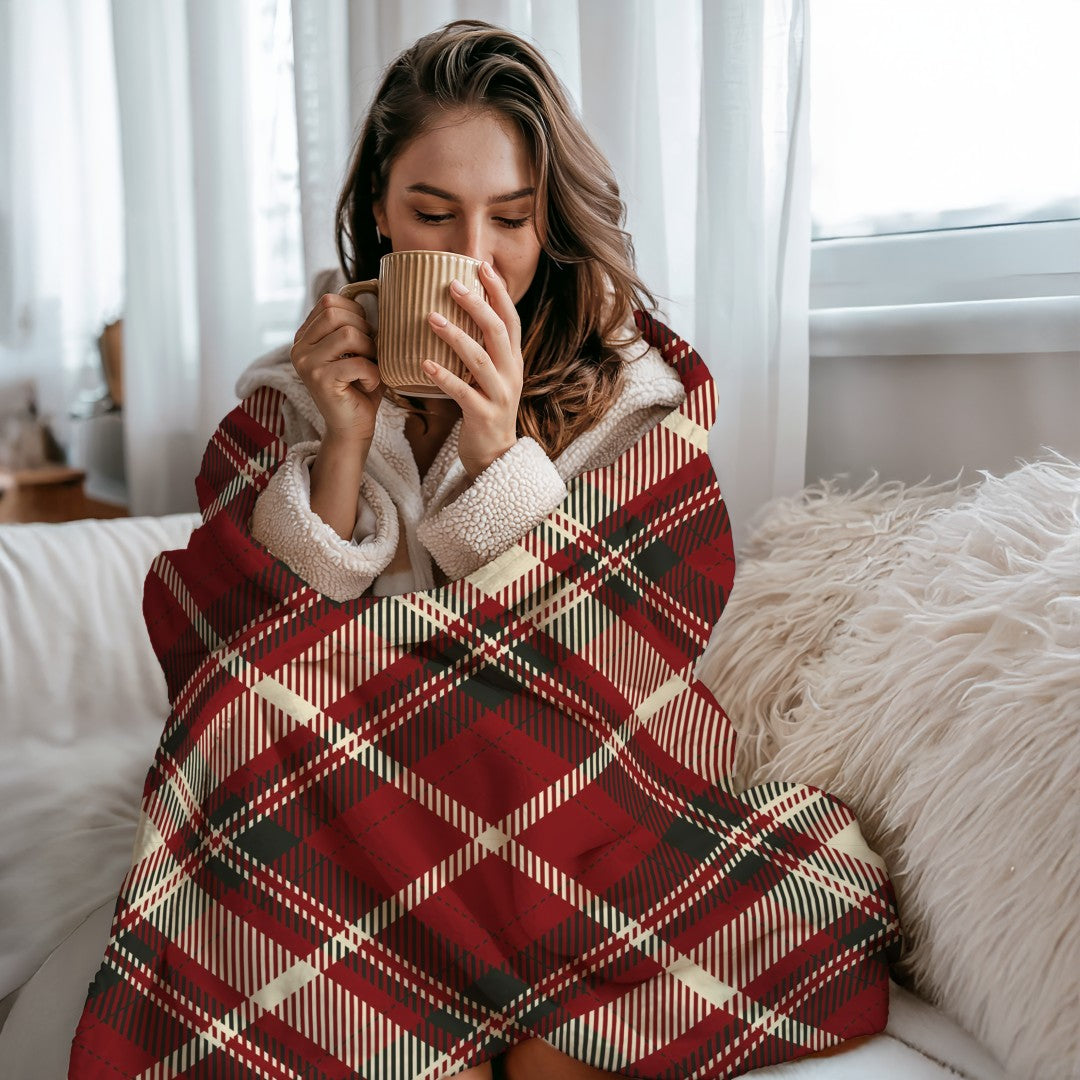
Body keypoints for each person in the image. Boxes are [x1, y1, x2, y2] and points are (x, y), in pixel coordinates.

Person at [69, 18, 902, 1080]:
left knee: (811, 888)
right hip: (359, 827)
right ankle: (447, 1021)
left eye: (510, 218)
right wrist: (342, 449)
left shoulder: (636, 398)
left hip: (563, 813)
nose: (472, 257)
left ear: (550, 220)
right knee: (245, 721)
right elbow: (231, 660)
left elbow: (621, 671)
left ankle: (480, 1022)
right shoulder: (292, 398)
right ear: (377, 211)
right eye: (432, 213)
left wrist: (498, 449)